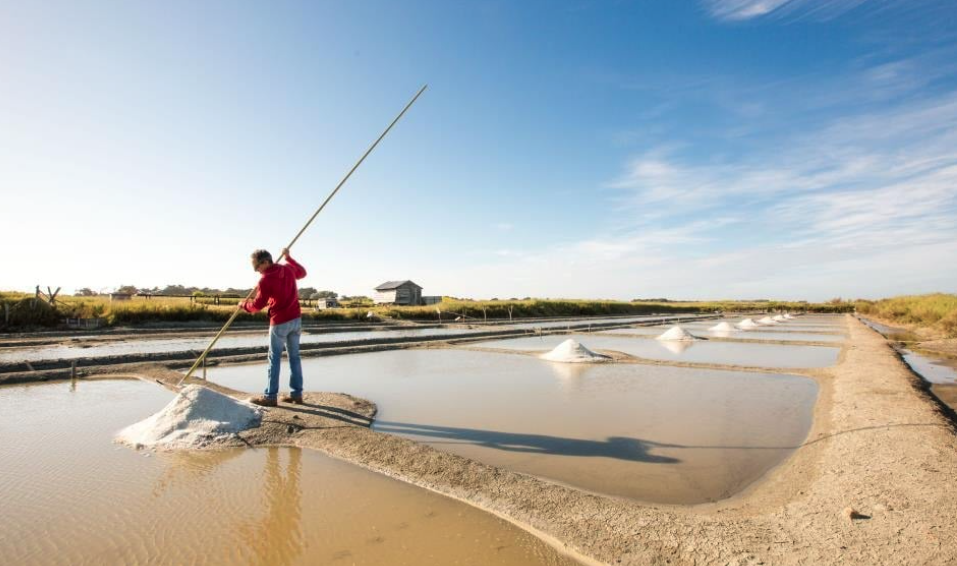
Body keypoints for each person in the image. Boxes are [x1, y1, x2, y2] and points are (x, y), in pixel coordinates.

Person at [240, 247, 307, 407]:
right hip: (296, 320)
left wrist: (243, 305)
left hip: (280, 322)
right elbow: (302, 273)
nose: (256, 270)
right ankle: (296, 395)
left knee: (274, 358)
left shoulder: (265, 280)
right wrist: (289, 258)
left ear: (265, 262)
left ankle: (270, 397)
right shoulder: (288, 269)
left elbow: (256, 306)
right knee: (294, 357)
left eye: (256, 266)